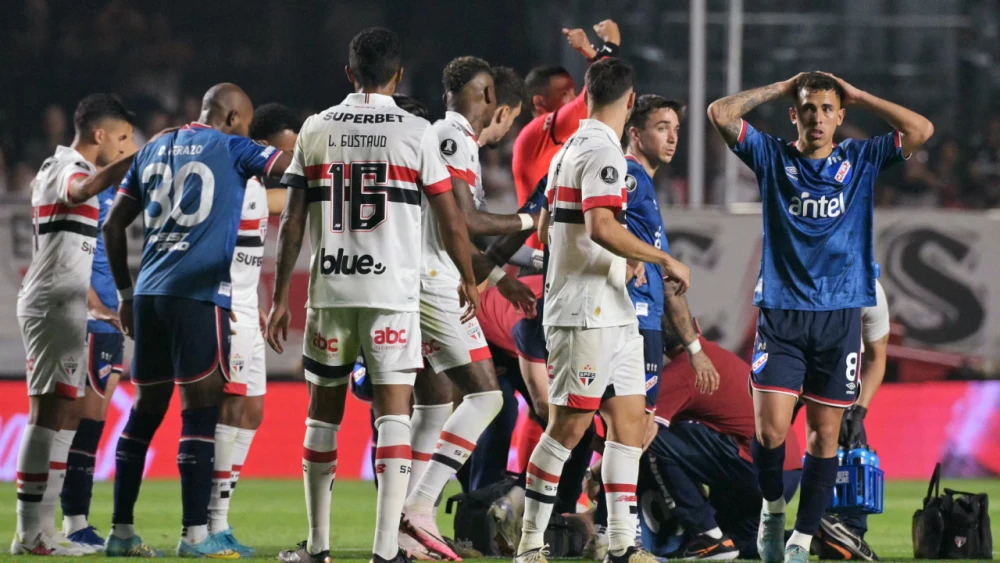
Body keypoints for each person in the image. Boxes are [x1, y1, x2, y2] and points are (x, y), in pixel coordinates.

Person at [265, 28, 478, 563]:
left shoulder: (316, 128)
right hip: (391, 294)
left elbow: (292, 220)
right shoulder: (417, 130)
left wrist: (279, 298)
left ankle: (318, 548)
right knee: (393, 417)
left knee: (322, 417)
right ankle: (386, 552)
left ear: (349, 72)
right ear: (398, 75)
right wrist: (469, 278)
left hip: (331, 292)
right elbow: (451, 219)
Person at [707, 72, 933, 563]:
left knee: (825, 434)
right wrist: (782, 86)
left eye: (827, 109)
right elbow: (721, 114)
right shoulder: (772, 157)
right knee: (769, 433)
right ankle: (772, 509)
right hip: (783, 314)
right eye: (807, 108)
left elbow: (920, 130)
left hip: (839, 316)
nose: (816, 117)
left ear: (839, 116)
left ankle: (802, 539)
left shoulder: (861, 159)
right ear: (795, 114)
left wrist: (861, 93)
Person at [102, 83, 291, 558]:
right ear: (231, 119)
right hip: (199, 296)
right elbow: (292, 169)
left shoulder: (153, 147)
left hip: (147, 295)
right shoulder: (231, 146)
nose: (249, 134)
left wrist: (125, 294)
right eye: (247, 125)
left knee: (143, 416)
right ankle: (195, 536)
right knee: (200, 418)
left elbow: (111, 224)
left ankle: (120, 532)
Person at [514, 58, 690, 563]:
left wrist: (619, 260)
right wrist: (659, 258)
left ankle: (621, 545)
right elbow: (601, 227)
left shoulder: (568, 147)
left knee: (627, 424)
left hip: (612, 310)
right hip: (584, 313)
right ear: (631, 102)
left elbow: (548, 226)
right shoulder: (603, 154)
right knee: (568, 428)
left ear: (586, 96)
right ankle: (528, 546)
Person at [402, 57, 537, 562]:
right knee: (487, 396)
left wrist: (498, 277)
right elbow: (467, 220)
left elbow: (450, 228)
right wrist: (530, 218)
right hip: (434, 283)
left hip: (423, 277)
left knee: (433, 404)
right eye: (511, 117)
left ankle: (407, 529)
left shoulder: (443, 134)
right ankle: (416, 508)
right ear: (492, 104)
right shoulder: (455, 136)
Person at [14, 93, 137, 556]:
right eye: (124, 139)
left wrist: (96, 305)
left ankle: (46, 529)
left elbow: (66, 251)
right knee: (45, 417)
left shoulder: (62, 170)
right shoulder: (69, 169)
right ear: (99, 136)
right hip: (50, 306)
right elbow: (81, 192)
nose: (127, 147)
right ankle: (30, 533)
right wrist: (143, 157)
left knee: (61, 415)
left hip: (66, 304)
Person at [596, 316, 802, 561]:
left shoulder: (680, 372)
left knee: (656, 442)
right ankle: (811, 538)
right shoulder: (716, 354)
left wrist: (595, 475)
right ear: (697, 326)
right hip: (787, 475)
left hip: (754, 471)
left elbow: (637, 440)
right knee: (741, 546)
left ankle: (708, 534)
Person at [204, 103, 301, 557]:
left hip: (248, 307)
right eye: (287, 152)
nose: (291, 162)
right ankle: (211, 522)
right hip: (226, 308)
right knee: (234, 409)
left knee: (254, 412)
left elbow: (294, 197)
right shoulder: (235, 183)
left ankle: (216, 516)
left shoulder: (260, 188)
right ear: (262, 148)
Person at [622, 94, 720, 412]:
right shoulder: (629, 177)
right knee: (632, 430)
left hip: (643, 319)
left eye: (676, 128)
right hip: (632, 322)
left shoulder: (645, 185)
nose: (673, 137)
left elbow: (667, 283)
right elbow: (596, 224)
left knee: (623, 430)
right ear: (635, 134)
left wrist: (693, 347)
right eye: (662, 128)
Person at [512, 20, 620, 250]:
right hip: (540, 260)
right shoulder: (534, 134)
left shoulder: (567, 138)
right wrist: (609, 45)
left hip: (563, 258)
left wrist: (592, 53)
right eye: (564, 93)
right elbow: (593, 96)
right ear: (539, 102)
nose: (573, 97)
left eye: (574, 90)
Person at [812, 279, 891, 562]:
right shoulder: (799, 285)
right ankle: (813, 529)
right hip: (797, 379)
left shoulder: (871, 290)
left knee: (855, 453)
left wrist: (858, 412)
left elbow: (876, 357)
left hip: (841, 384)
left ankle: (847, 534)